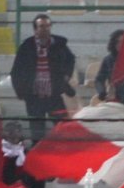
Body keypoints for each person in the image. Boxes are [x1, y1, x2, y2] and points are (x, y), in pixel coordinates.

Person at [10, 14, 77, 142]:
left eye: (48, 26)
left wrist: (66, 76)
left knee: (62, 128)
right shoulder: (26, 46)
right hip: (34, 96)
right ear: (35, 29)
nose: (45, 29)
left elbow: (71, 60)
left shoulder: (59, 45)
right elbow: (16, 71)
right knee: (37, 131)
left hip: (54, 93)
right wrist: (21, 91)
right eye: (41, 26)